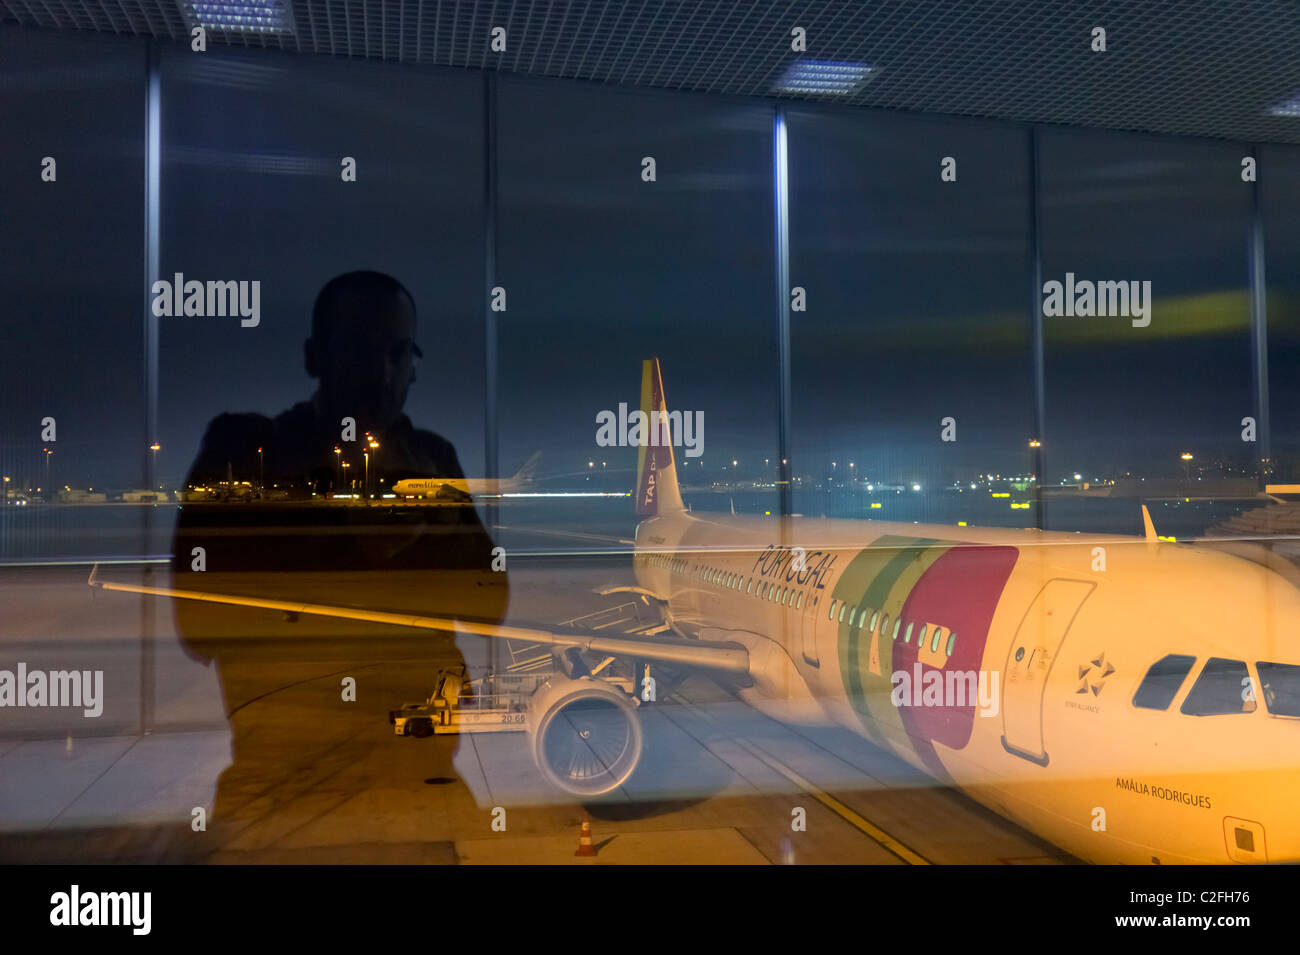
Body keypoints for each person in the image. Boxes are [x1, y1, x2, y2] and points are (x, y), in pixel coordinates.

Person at [170, 271, 507, 848]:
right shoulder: (247, 452)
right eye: (359, 349)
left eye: (398, 353)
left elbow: (490, 602)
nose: (381, 373)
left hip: (407, 792)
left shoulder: (429, 457)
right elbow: (199, 623)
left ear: (413, 365)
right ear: (315, 357)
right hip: (288, 801)